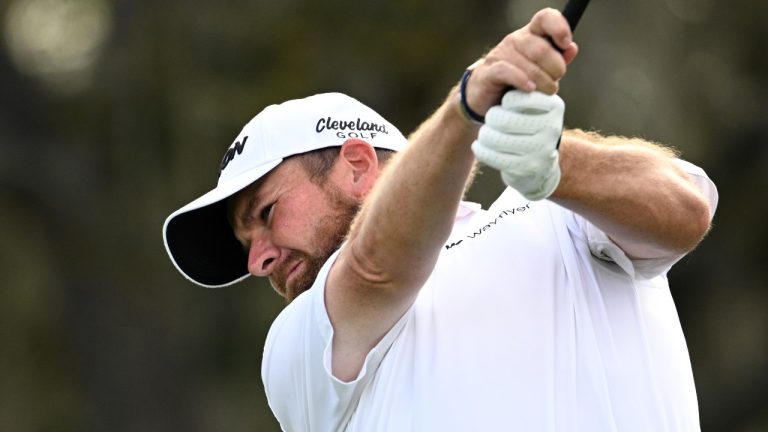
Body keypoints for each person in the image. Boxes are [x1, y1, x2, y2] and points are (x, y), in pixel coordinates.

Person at [163, 8, 717, 431]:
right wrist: (469, 111)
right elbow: (376, 267)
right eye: (247, 244)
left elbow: (686, 212)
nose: (258, 260)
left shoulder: (556, 219)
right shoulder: (296, 349)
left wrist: (553, 160)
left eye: (266, 213)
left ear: (357, 165)